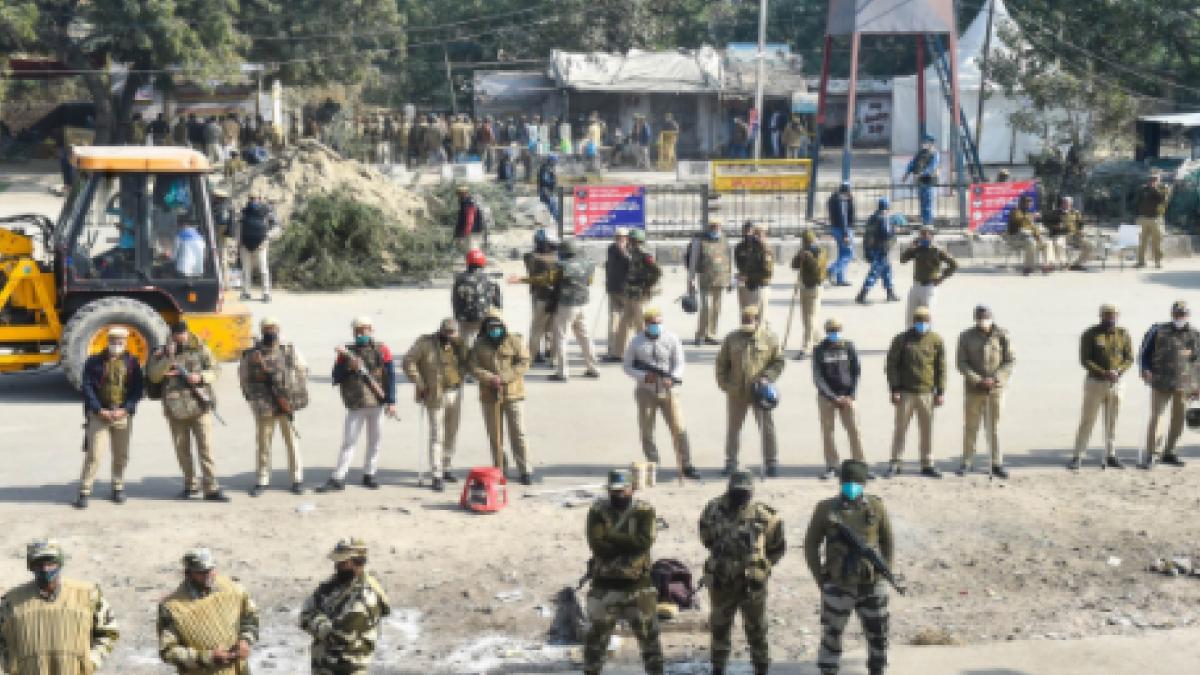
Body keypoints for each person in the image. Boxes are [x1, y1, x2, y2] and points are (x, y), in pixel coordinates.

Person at [803, 460, 894, 675]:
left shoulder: (876, 507)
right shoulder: (825, 509)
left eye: (856, 482)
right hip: (838, 584)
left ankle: (877, 670)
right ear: (841, 482)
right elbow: (811, 544)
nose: (852, 486)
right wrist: (821, 578)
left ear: (864, 483)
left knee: (879, 635)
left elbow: (888, 541)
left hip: (871, 584)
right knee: (831, 636)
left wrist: (885, 570)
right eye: (848, 481)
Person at [698, 470, 786, 675]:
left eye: (745, 492)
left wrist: (763, 567)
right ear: (729, 490)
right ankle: (718, 668)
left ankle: (761, 668)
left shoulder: (765, 515)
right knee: (720, 628)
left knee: (757, 629)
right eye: (737, 492)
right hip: (722, 582)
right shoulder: (713, 509)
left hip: (752, 586)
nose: (741, 496)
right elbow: (706, 539)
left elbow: (777, 547)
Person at [582, 470, 663, 675]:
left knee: (650, 644)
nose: (618, 496)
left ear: (632, 489)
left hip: (639, 586)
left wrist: (610, 535)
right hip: (604, 586)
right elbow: (597, 545)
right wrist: (628, 543)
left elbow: (644, 542)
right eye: (614, 491)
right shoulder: (597, 511)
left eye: (622, 491)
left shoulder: (645, 511)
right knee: (595, 644)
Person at [0, 539, 119, 674]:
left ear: (60, 563)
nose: (45, 569)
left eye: (51, 563)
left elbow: (109, 631)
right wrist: (11, 664)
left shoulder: (87, 595)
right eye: (39, 564)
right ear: (31, 566)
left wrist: (91, 662)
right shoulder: (12, 601)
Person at [148, 321, 229, 502]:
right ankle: (190, 485)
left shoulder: (200, 348)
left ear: (187, 333)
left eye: (182, 335)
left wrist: (200, 377)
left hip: (199, 406)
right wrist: (168, 358)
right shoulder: (161, 352)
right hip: (175, 409)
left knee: (206, 449)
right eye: (176, 336)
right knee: (182, 450)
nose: (180, 339)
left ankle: (211, 488)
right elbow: (154, 376)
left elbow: (216, 370)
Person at [318, 317, 397, 492]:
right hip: (356, 403)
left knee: (375, 441)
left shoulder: (382, 349)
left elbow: (390, 376)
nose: (362, 333)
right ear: (354, 332)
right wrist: (349, 367)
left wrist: (391, 401)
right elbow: (336, 377)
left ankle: (370, 473)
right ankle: (338, 477)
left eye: (365, 329)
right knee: (349, 442)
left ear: (371, 330)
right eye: (358, 330)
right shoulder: (346, 352)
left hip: (377, 402)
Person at [623, 307, 699, 479]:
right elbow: (627, 366)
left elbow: (679, 362)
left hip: (669, 391)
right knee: (647, 430)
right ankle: (653, 463)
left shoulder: (672, 339)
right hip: (646, 391)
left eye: (658, 323)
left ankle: (686, 464)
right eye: (652, 323)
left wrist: (672, 377)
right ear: (646, 323)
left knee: (678, 428)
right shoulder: (636, 342)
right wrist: (643, 376)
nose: (656, 326)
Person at [157, 549, 258, 675]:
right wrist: (206, 657)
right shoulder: (172, 607)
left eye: (211, 570)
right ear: (188, 573)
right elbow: (168, 651)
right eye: (202, 572)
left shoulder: (233, 589)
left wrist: (245, 641)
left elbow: (250, 618)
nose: (209, 575)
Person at [300, 538, 391, 675]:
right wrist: (318, 621)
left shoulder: (367, 596)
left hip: (347, 668)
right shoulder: (335, 584)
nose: (337, 566)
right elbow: (305, 612)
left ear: (357, 563)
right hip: (324, 667)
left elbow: (338, 635)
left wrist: (316, 621)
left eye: (343, 563)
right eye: (337, 562)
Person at [75, 327, 143, 509]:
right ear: (108, 341)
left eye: (120, 342)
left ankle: (117, 487)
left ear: (125, 343)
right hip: (100, 415)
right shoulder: (94, 362)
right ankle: (84, 490)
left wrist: (126, 409)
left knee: (121, 455)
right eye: (113, 341)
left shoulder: (132, 362)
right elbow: (87, 387)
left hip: (122, 415)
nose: (116, 345)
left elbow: (137, 389)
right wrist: (98, 410)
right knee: (94, 454)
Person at [238, 317, 308, 495]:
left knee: (292, 442)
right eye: (267, 328)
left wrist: (294, 394)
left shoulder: (289, 350)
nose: (271, 331)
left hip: (286, 403)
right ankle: (262, 479)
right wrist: (252, 399)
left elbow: (302, 370)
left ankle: (296, 479)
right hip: (264, 404)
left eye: (274, 328)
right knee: (263, 443)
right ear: (262, 330)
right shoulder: (252, 354)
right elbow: (244, 377)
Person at [716, 306, 786, 477]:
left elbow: (778, 362)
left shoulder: (770, 338)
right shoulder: (732, 338)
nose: (747, 324)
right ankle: (731, 462)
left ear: (757, 320)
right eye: (744, 320)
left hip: (760, 392)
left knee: (767, 428)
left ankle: (771, 462)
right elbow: (721, 365)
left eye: (750, 321)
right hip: (736, 393)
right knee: (734, 429)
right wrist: (726, 386)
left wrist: (767, 377)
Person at [403, 319, 469, 492]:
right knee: (436, 435)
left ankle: (447, 466)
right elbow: (408, 361)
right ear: (440, 330)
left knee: (452, 432)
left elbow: (467, 362)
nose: (449, 335)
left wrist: (462, 375)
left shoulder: (460, 345)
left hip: (455, 391)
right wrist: (419, 382)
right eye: (446, 332)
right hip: (435, 394)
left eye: (453, 332)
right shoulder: (425, 344)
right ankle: (437, 474)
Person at [470, 310, 535, 485]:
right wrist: (491, 378)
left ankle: (525, 469)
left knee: (518, 433)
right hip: (489, 396)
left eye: (497, 326)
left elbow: (524, 362)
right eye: (491, 327)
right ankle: (500, 468)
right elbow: (473, 367)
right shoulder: (479, 344)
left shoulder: (514, 341)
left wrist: (504, 377)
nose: (494, 330)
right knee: (495, 435)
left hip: (513, 393)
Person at [1069, 303, 1134, 470]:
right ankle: (1078, 455)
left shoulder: (1123, 334)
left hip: (1116, 383)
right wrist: (1103, 372)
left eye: (1113, 315)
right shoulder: (1090, 334)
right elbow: (1085, 360)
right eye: (1107, 315)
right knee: (1087, 420)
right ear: (1101, 315)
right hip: (1096, 383)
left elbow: (1129, 358)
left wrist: (1118, 371)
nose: (1111, 318)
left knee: (1112, 421)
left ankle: (1110, 454)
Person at [954, 305, 1015, 479]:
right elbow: (962, 363)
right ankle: (966, 462)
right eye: (981, 317)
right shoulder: (966, 336)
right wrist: (978, 380)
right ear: (975, 318)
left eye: (987, 316)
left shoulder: (1002, 335)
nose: (984, 320)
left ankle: (996, 463)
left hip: (996, 389)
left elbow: (1010, 361)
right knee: (971, 427)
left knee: (995, 427)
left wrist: (995, 379)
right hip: (974, 389)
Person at [885, 306, 946, 478]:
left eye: (925, 321)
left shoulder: (936, 340)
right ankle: (895, 462)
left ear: (930, 321)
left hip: (927, 392)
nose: (922, 324)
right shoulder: (902, 339)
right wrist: (894, 389)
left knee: (927, 430)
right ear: (913, 322)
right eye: (919, 321)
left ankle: (927, 463)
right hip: (905, 392)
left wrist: (940, 391)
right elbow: (891, 365)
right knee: (900, 429)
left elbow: (941, 367)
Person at [1139, 300, 1200, 469]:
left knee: (1179, 419)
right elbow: (1144, 353)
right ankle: (1152, 454)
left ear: (1188, 315)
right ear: (1172, 314)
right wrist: (1145, 370)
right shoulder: (1158, 331)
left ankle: (1170, 452)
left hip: (1185, 383)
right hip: (1160, 381)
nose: (1180, 316)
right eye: (1177, 314)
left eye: (1183, 314)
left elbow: (1197, 361)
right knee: (1157, 417)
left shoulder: (1195, 334)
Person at [813, 318, 866, 478]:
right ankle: (832, 465)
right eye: (831, 331)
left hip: (848, 396)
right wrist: (832, 397)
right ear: (826, 331)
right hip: (827, 397)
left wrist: (851, 395)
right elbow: (817, 377)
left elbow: (856, 371)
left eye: (836, 330)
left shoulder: (848, 347)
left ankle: (860, 464)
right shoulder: (819, 350)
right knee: (828, 432)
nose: (834, 334)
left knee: (855, 430)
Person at [548, 239, 600, 381]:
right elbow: (589, 281)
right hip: (582, 303)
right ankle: (593, 368)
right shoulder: (588, 263)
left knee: (561, 337)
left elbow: (550, 281)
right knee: (585, 336)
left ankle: (562, 372)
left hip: (566, 304)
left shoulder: (561, 266)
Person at [614, 229, 662, 365]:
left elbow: (657, 271)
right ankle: (619, 353)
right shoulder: (633, 252)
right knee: (624, 322)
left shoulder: (644, 253)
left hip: (640, 294)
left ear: (637, 241)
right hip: (631, 293)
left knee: (640, 323)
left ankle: (643, 355)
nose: (629, 241)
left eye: (631, 239)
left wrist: (648, 285)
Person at [899, 226, 956, 328]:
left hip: (929, 288)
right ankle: (909, 339)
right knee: (911, 316)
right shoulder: (917, 249)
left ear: (931, 236)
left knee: (927, 317)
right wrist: (911, 248)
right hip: (916, 286)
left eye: (925, 234)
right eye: (921, 234)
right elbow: (903, 260)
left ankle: (928, 339)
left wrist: (942, 277)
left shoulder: (938, 250)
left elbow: (954, 265)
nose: (923, 236)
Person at [687, 220, 731, 346]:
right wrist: (691, 280)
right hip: (705, 280)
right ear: (709, 227)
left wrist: (729, 280)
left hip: (720, 280)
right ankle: (700, 334)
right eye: (713, 226)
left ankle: (711, 334)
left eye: (717, 226)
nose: (715, 228)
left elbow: (728, 259)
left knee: (716, 309)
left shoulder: (724, 239)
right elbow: (693, 262)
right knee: (705, 308)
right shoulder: (700, 241)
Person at [522, 229, 560, 365]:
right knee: (550, 325)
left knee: (539, 326)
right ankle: (547, 352)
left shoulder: (533, 257)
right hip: (551, 296)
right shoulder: (553, 259)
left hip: (540, 296)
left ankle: (536, 353)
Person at [451, 248, 502, 349]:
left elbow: (456, 300)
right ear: (483, 262)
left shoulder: (460, 279)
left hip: (466, 318)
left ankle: (467, 361)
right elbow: (498, 301)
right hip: (485, 317)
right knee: (485, 343)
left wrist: (457, 316)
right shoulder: (490, 279)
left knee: (466, 343)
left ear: (468, 262)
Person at [790, 229, 828, 359]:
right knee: (806, 320)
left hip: (814, 288)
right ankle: (822, 343)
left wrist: (809, 258)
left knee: (810, 319)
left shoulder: (820, 252)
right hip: (804, 287)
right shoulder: (803, 251)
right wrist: (799, 257)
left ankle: (806, 347)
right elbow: (794, 265)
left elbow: (817, 271)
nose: (807, 245)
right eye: (805, 243)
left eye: (809, 243)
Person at [857, 197, 901, 304]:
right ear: (887, 206)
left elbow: (867, 234)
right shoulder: (884, 217)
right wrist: (894, 230)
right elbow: (886, 233)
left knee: (886, 270)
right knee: (875, 272)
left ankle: (890, 292)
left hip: (872, 248)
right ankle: (862, 294)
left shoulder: (872, 217)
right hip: (881, 249)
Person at [238, 194, 276, 302]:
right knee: (246, 270)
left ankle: (266, 293)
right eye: (251, 198)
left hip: (261, 245)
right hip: (245, 244)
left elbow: (276, 226)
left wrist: (267, 238)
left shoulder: (266, 211)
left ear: (260, 199)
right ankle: (246, 292)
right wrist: (239, 241)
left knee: (263, 270)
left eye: (255, 198)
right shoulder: (244, 211)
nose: (253, 200)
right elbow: (239, 226)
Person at [604, 228, 632, 360]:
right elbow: (628, 262)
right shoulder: (617, 249)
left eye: (622, 237)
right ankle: (615, 349)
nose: (621, 240)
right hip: (618, 289)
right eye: (620, 237)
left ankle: (619, 348)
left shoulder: (612, 248)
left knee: (622, 319)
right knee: (617, 319)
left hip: (619, 288)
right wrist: (623, 249)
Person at [1043, 195, 1093, 271]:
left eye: (1068, 203)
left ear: (1071, 204)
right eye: (1064, 202)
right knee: (1059, 243)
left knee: (1089, 245)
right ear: (1062, 203)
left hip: (1074, 236)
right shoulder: (1055, 212)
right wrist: (1055, 226)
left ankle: (1077, 264)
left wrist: (1081, 231)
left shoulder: (1075, 213)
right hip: (1061, 235)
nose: (1066, 204)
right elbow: (1046, 223)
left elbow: (1080, 224)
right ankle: (1064, 263)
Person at [733, 222, 773, 317]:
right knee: (747, 317)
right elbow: (740, 264)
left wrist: (748, 276)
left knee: (760, 318)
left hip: (760, 286)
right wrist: (741, 276)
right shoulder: (742, 247)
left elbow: (767, 272)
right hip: (748, 285)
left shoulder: (765, 249)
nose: (757, 237)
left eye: (760, 234)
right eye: (756, 234)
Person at [1007, 194, 1051, 275]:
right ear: (1022, 203)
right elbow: (1019, 220)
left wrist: (1038, 237)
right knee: (1031, 242)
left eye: (1030, 202)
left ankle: (1046, 266)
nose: (1030, 204)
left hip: (1026, 237)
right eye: (1028, 202)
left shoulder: (1028, 213)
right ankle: (1028, 267)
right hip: (1015, 238)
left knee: (1046, 243)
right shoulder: (1015, 211)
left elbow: (1033, 227)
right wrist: (1030, 217)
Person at [1134, 172, 1171, 269]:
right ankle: (1141, 261)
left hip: (1156, 218)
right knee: (1141, 241)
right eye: (1150, 179)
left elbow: (1162, 200)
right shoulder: (1142, 189)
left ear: (1159, 180)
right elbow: (1136, 202)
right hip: (1142, 218)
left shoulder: (1163, 189)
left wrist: (1154, 189)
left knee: (1157, 241)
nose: (1152, 181)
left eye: (1155, 179)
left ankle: (1158, 262)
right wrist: (1137, 215)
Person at [903, 133, 940, 227]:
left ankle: (928, 224)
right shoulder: (921, 153)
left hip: (928, 181)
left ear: (931, 143)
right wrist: (907, 173)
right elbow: (912, 163)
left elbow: (932, 167)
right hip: (920, 182)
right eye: (924, 142)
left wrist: (920, 174)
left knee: (928, 204)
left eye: (926, 142)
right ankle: (924, 222)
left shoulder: (935, 154)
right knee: (922, 203)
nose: (924, 144)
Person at [826, 181, 855, 286]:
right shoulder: (841, 200)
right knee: (849, 254)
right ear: (847, 190)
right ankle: (832, 270)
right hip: (843, 230)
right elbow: (843, 218)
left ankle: (840, 279)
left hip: (835, 229)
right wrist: (846, 234)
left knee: (842, 254)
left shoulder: (833, 198)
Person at [453, 185, 484, 252]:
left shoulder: (468, 203)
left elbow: (470, 219)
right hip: (471, 230)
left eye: (460, 194)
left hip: (472, 231)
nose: (458, 196)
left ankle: (475, 262)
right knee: (467, 248)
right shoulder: (465, 202)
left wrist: (465, 233)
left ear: (464, 194)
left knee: (472, 250)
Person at [537, 155, 559, 223]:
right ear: (551, 161)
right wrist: (552, 181)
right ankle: (557, 219)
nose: (555, 163)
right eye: (554, 161)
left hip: (548, 190)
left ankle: (546, 220)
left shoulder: (548, 168)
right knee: (552, 205)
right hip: (546, 190)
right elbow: (545, 180)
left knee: (547, 206)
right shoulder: (545, 169)